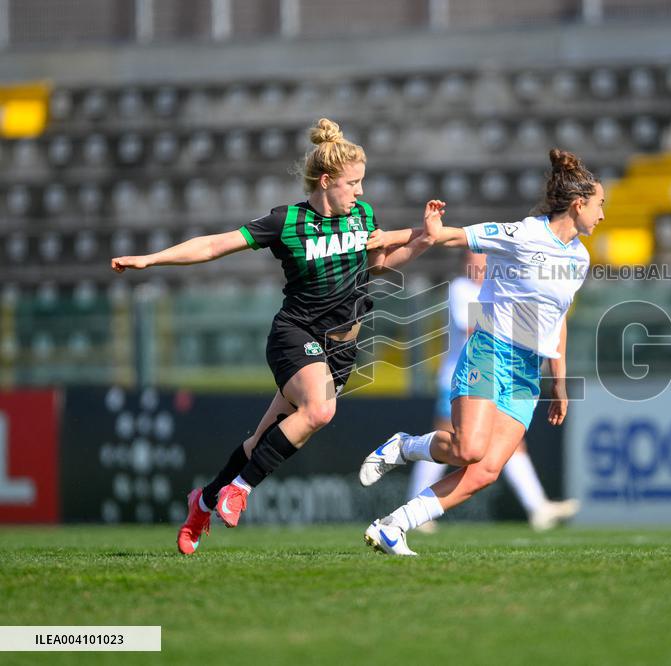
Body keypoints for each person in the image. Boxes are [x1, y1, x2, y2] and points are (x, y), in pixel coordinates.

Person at [111, 118, 436, 554]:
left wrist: (423, 241)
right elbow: (214, 246)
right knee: (320, 410)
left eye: (362, 183)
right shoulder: (286, 221)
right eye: (353, 183)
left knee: (262, 439)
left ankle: (203, 501)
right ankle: (240, 489)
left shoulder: (363, 216)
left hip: (341, 350)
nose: (360, 192)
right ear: (326, 181)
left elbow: (375, 266)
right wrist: (150, 261)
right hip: (296, 334)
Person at [357, 148, 602, 556]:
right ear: (578, 205)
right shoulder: (525, 234)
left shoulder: (579, 258)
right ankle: (404, 446)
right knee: (468, 449)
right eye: (599, 205)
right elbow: (458, 235)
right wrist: (431, 230)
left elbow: (557, 322)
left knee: (485, 471)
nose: (603, 214)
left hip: (527, 370)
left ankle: (394, 525)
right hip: (491, 350)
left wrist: (558, 384)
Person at [407, 250, 580, 533]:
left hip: (497, 375)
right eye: (476, 262)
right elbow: (474, 328)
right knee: (453, 443)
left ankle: (537, 506)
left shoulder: (495, 292)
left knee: (511, 445)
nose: (482, 268)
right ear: (467, 263)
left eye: (486, 263)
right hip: (462, 376)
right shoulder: (461, 288)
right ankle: (415, 496)